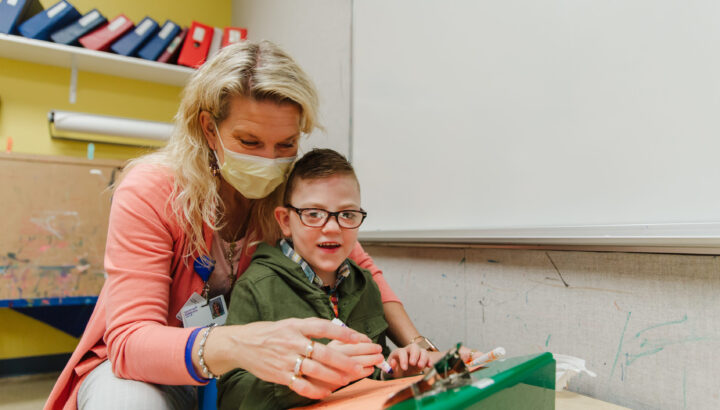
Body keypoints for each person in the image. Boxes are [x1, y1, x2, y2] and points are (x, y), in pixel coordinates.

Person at [45, 40, 439, 410]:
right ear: (208, 129)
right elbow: (132, 342)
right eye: (249, 142)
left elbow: (361, 265)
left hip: (248, 364)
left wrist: (421, 348)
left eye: (285, 144)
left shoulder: (291, 194)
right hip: (151, 370)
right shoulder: (152, 189)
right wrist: (239, 344)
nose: (270, 160)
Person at [217, 149, 431, 409]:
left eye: (348, 214)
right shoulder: (256, 288)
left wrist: (393, 372)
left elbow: (373, 369)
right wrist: (306, 375)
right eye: (314, 214)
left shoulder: (365, 285)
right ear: (285, 221)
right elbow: (231, 396)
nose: (332, 227)